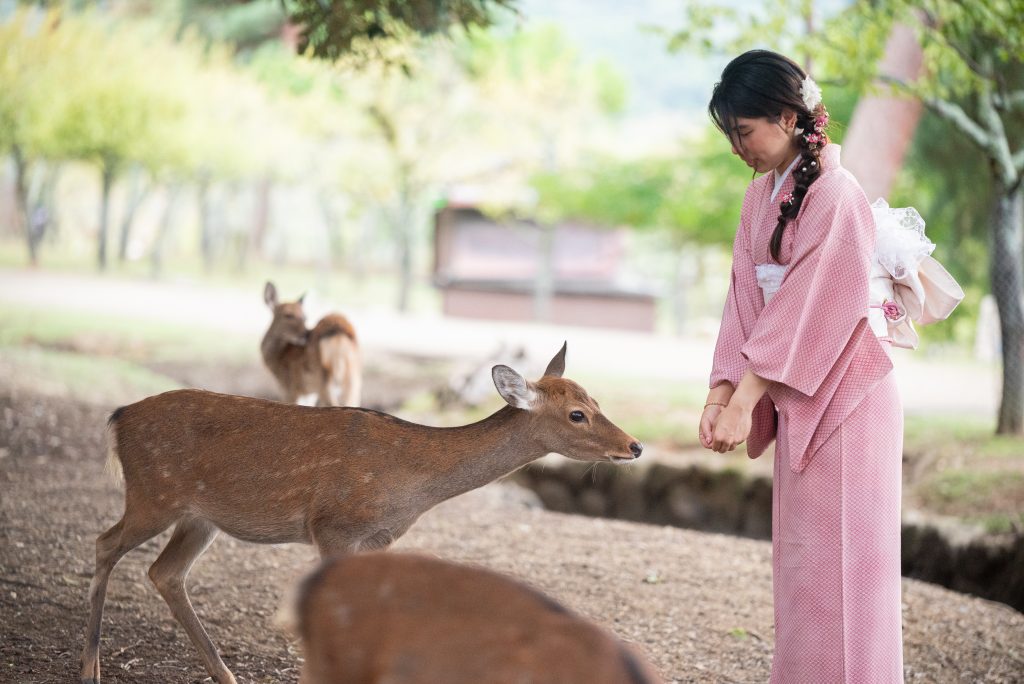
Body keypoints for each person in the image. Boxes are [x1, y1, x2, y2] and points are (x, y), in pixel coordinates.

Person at [699, 49, 906, 683]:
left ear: (788, 116)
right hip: (798, 388)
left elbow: (808, 306)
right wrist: (721, 392)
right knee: (807, 558)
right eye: (730, 135)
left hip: (847, 390)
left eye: (745, 131)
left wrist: (742, 401)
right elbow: (743, 301)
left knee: (849, 562)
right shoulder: (758, 197)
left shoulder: (837, 195)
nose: (739, 148)